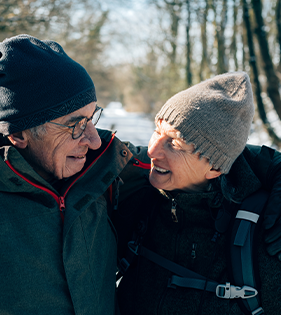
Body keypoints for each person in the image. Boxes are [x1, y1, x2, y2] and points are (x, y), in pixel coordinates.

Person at [0, 34, 151, 315]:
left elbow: (190, 161)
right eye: (75, 125)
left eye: (92, 117)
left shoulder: (107, 168)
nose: (94, 140)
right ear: (19, 134)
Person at [116, 72, 281, 315]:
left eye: (173, 143)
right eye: (157, 130)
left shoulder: (265, 233)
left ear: (214, 167)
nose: (152, 150)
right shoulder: (133, 189)